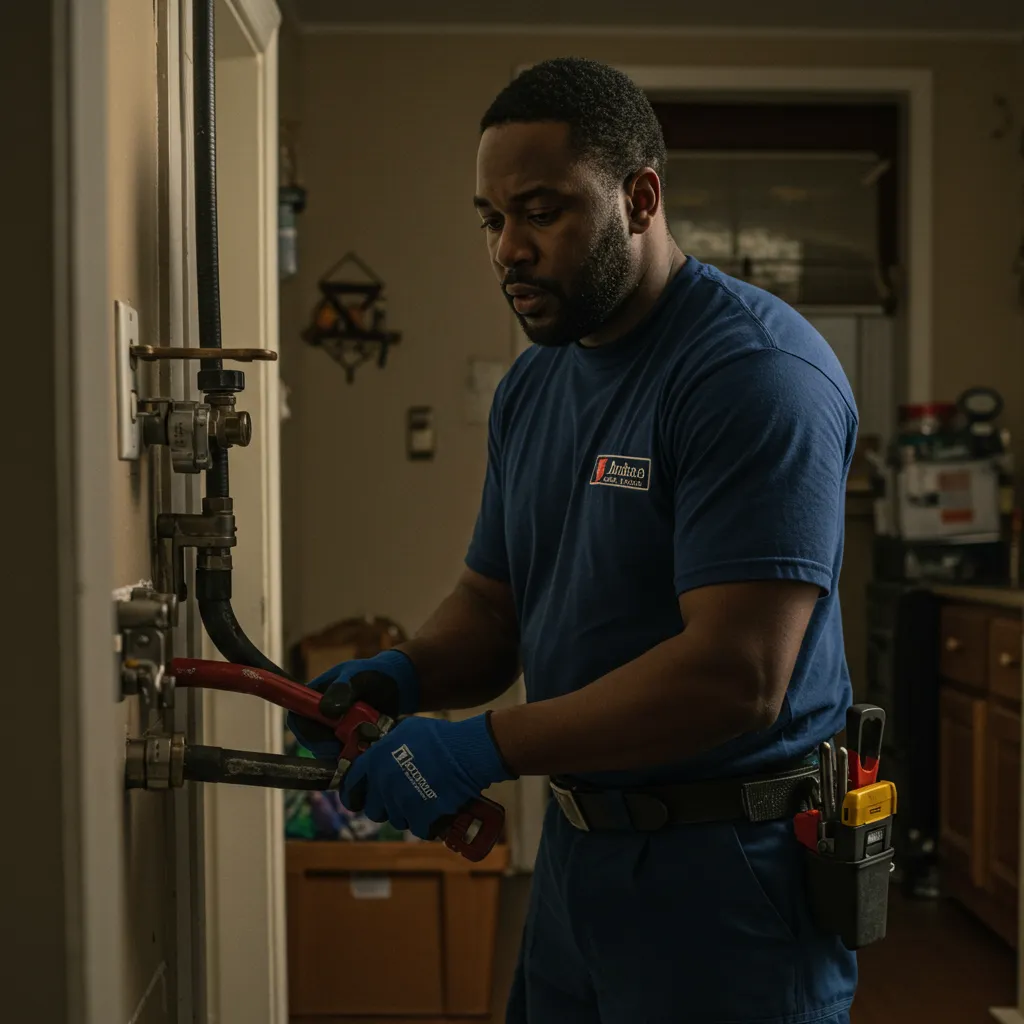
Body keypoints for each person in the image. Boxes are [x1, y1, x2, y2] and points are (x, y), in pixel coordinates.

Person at [289, 57, 859, 1024]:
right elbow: (496, 603)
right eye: (490, 218)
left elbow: (737, 675)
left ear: (639, 199)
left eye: (541, 211)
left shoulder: (753, 375)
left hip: (728, 876)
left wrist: (480, 749)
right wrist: (403, 676)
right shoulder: (535, 386)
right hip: (578, 859)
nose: (508, 247)